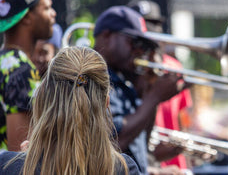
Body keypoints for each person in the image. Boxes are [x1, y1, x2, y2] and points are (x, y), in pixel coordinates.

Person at [0, 47, 140, 174]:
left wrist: (24, 161)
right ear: (106, 103)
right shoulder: (125, 169)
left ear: (43, 98)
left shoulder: (7, 166)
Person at [93, 5, 185, 175]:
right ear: (107, 36)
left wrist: (148, 90)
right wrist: (154, 97)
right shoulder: (94, 79)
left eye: (142, 45)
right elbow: (116, 141)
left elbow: (137, 143)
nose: (139, 51)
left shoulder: (123, 81)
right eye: (134, 42)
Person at [129, 0, 193, 170]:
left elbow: (182, 119)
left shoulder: (173, 68)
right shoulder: (127, 75)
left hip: (171, 165)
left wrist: (187, 157)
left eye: (156, 24)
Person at [0, 0, 56, 151]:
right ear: (26, 17)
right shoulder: (20, 70)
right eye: (46, 8)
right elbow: (19, 155)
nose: (53, 14)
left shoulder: (6, 61)